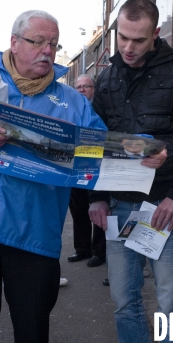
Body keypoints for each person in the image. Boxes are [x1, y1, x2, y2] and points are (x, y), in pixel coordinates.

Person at [0, 10, 157, 343]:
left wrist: (140, 155)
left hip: (33, 234)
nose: (47, 50)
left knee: (32, 332)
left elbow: (99, 152)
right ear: (14, 42)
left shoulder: (73, 103)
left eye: (53, 44)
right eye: (38, 41)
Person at [88, 0, 173, 343]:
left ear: (156, 34)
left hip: (165, 210)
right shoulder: (106, 79)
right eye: (122, 38)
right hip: (117, 206)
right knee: (123, 302)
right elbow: (95, 143)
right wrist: (97, 197)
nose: (128, 48)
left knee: (172, 304)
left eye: (139, 39)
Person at [67, 74, 107, 268]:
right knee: (78, 209)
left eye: (86, 86)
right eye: (78, 87)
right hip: (75, 166)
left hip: (96, 166)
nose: (81, 90)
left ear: (94, 89)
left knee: (98, 207)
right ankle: (82, 249)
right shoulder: (71, 110)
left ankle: (99, 252)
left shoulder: (100, 108)